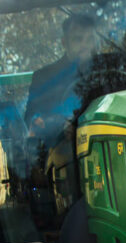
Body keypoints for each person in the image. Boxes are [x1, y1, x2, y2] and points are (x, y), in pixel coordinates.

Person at [23, 11, 101, 150]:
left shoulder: (109, 71)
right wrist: (60, 125)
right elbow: (32, 119)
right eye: (78, 39)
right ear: (64, 43)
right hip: (62, 150)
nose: (85, 45)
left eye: (89, 39)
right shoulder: (44, 77)